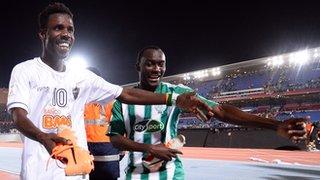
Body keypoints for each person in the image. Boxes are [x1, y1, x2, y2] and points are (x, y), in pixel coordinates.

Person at [6, 3, 211, 180]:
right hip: (39, 172)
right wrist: (43, 137)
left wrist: (175, 99)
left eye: (70, 29)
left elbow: (126, 94)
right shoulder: (25, 70)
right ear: (43, 34)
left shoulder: (82, 76)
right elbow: (18, 115)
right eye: (58, 28)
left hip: (76, 171)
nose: (66, 34)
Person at [109, 46, 308, 180]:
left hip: (171, 174)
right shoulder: (124, 100)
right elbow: (116, 139)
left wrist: (275, 125)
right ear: (138, 66)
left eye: (161, 64)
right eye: (150, 63)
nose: (156, 69)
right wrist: (149, 148)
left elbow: (220, 110)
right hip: (135, 175)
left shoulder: (178, 93)